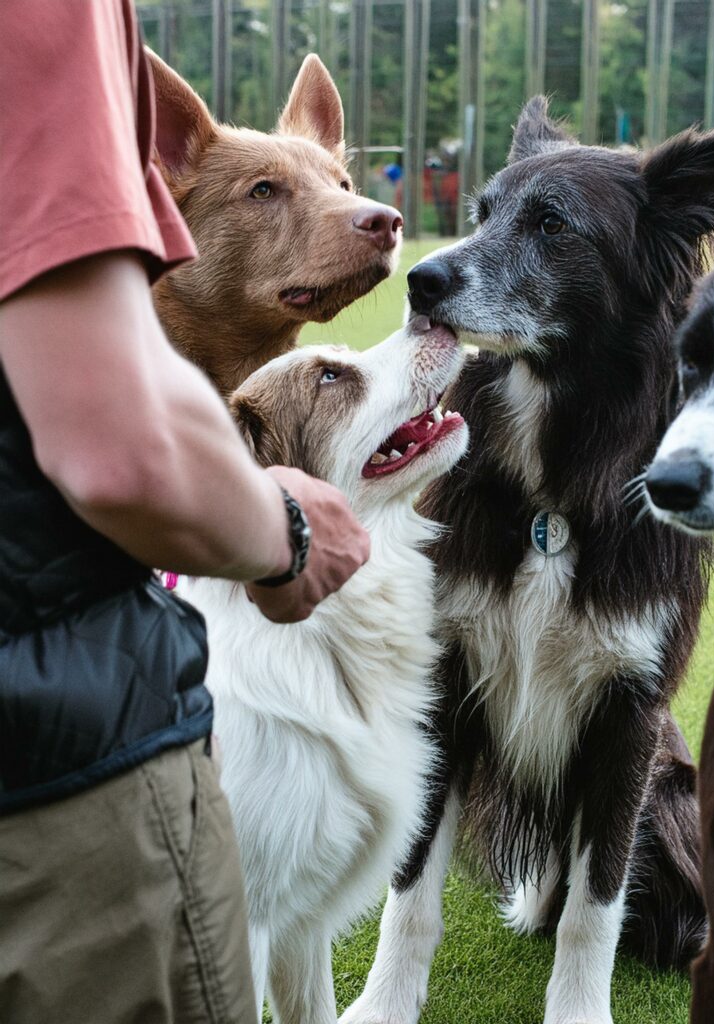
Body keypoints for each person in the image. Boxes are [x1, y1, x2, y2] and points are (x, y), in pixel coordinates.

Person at [0, 3, 370, 1022]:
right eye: (265, 192)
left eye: (342, 184)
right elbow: (117, 447)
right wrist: (282, 532)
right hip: (57, 764)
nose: (362, 212)